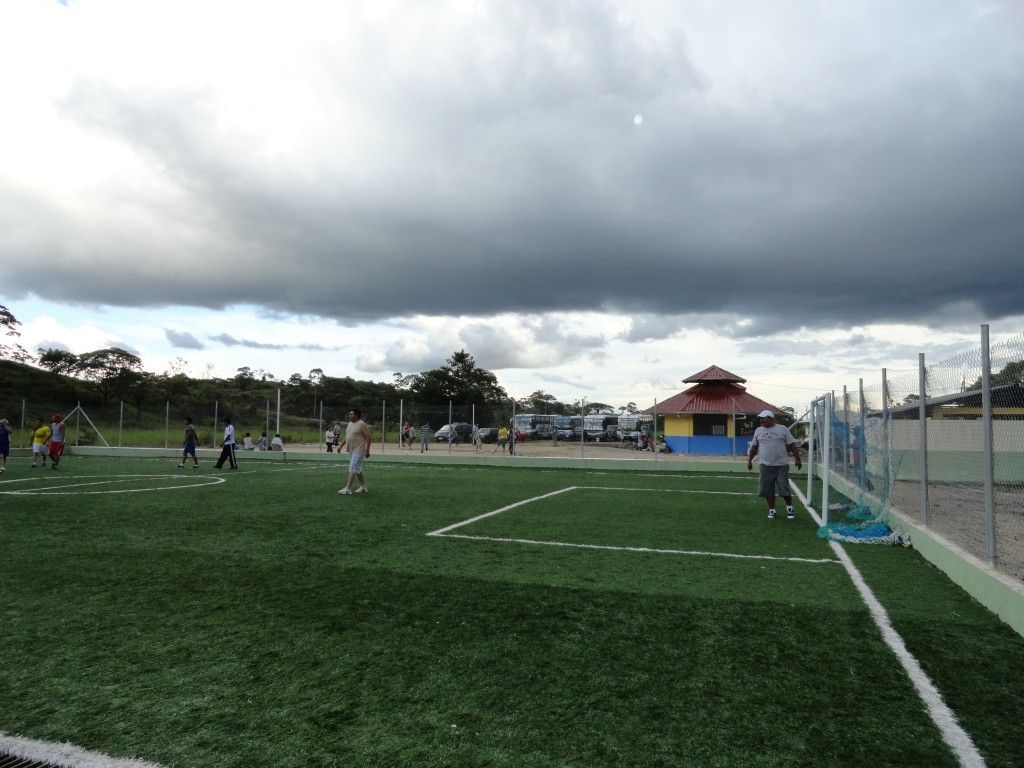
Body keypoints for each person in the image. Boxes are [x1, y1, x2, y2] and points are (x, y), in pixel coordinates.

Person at [747, 409, 802, 519]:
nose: (761, 420)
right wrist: (749, 461)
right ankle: (772, 510)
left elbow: (791, 445)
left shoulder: (783, 429)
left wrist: (797, 459)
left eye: (764, 418)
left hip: (781, 465)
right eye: (761, 418)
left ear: (771, 418)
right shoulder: (758, 430)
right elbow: (754, 447)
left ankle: (789, 508)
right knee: (767, 489)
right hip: (765, 465)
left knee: (784, 487)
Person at [337, 408, 371, 495]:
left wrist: (367, 449)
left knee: (353, 467)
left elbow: (368, 436)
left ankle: (347, 489)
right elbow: (348, 436)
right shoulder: (350, 424)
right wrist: (341, 445)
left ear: (357, 416)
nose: (350, 415)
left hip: (359, 450)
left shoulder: (361, 424)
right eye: (350, 414)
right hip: (351, 450)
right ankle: (363, 487)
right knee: (358, 469)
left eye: (351, 414)